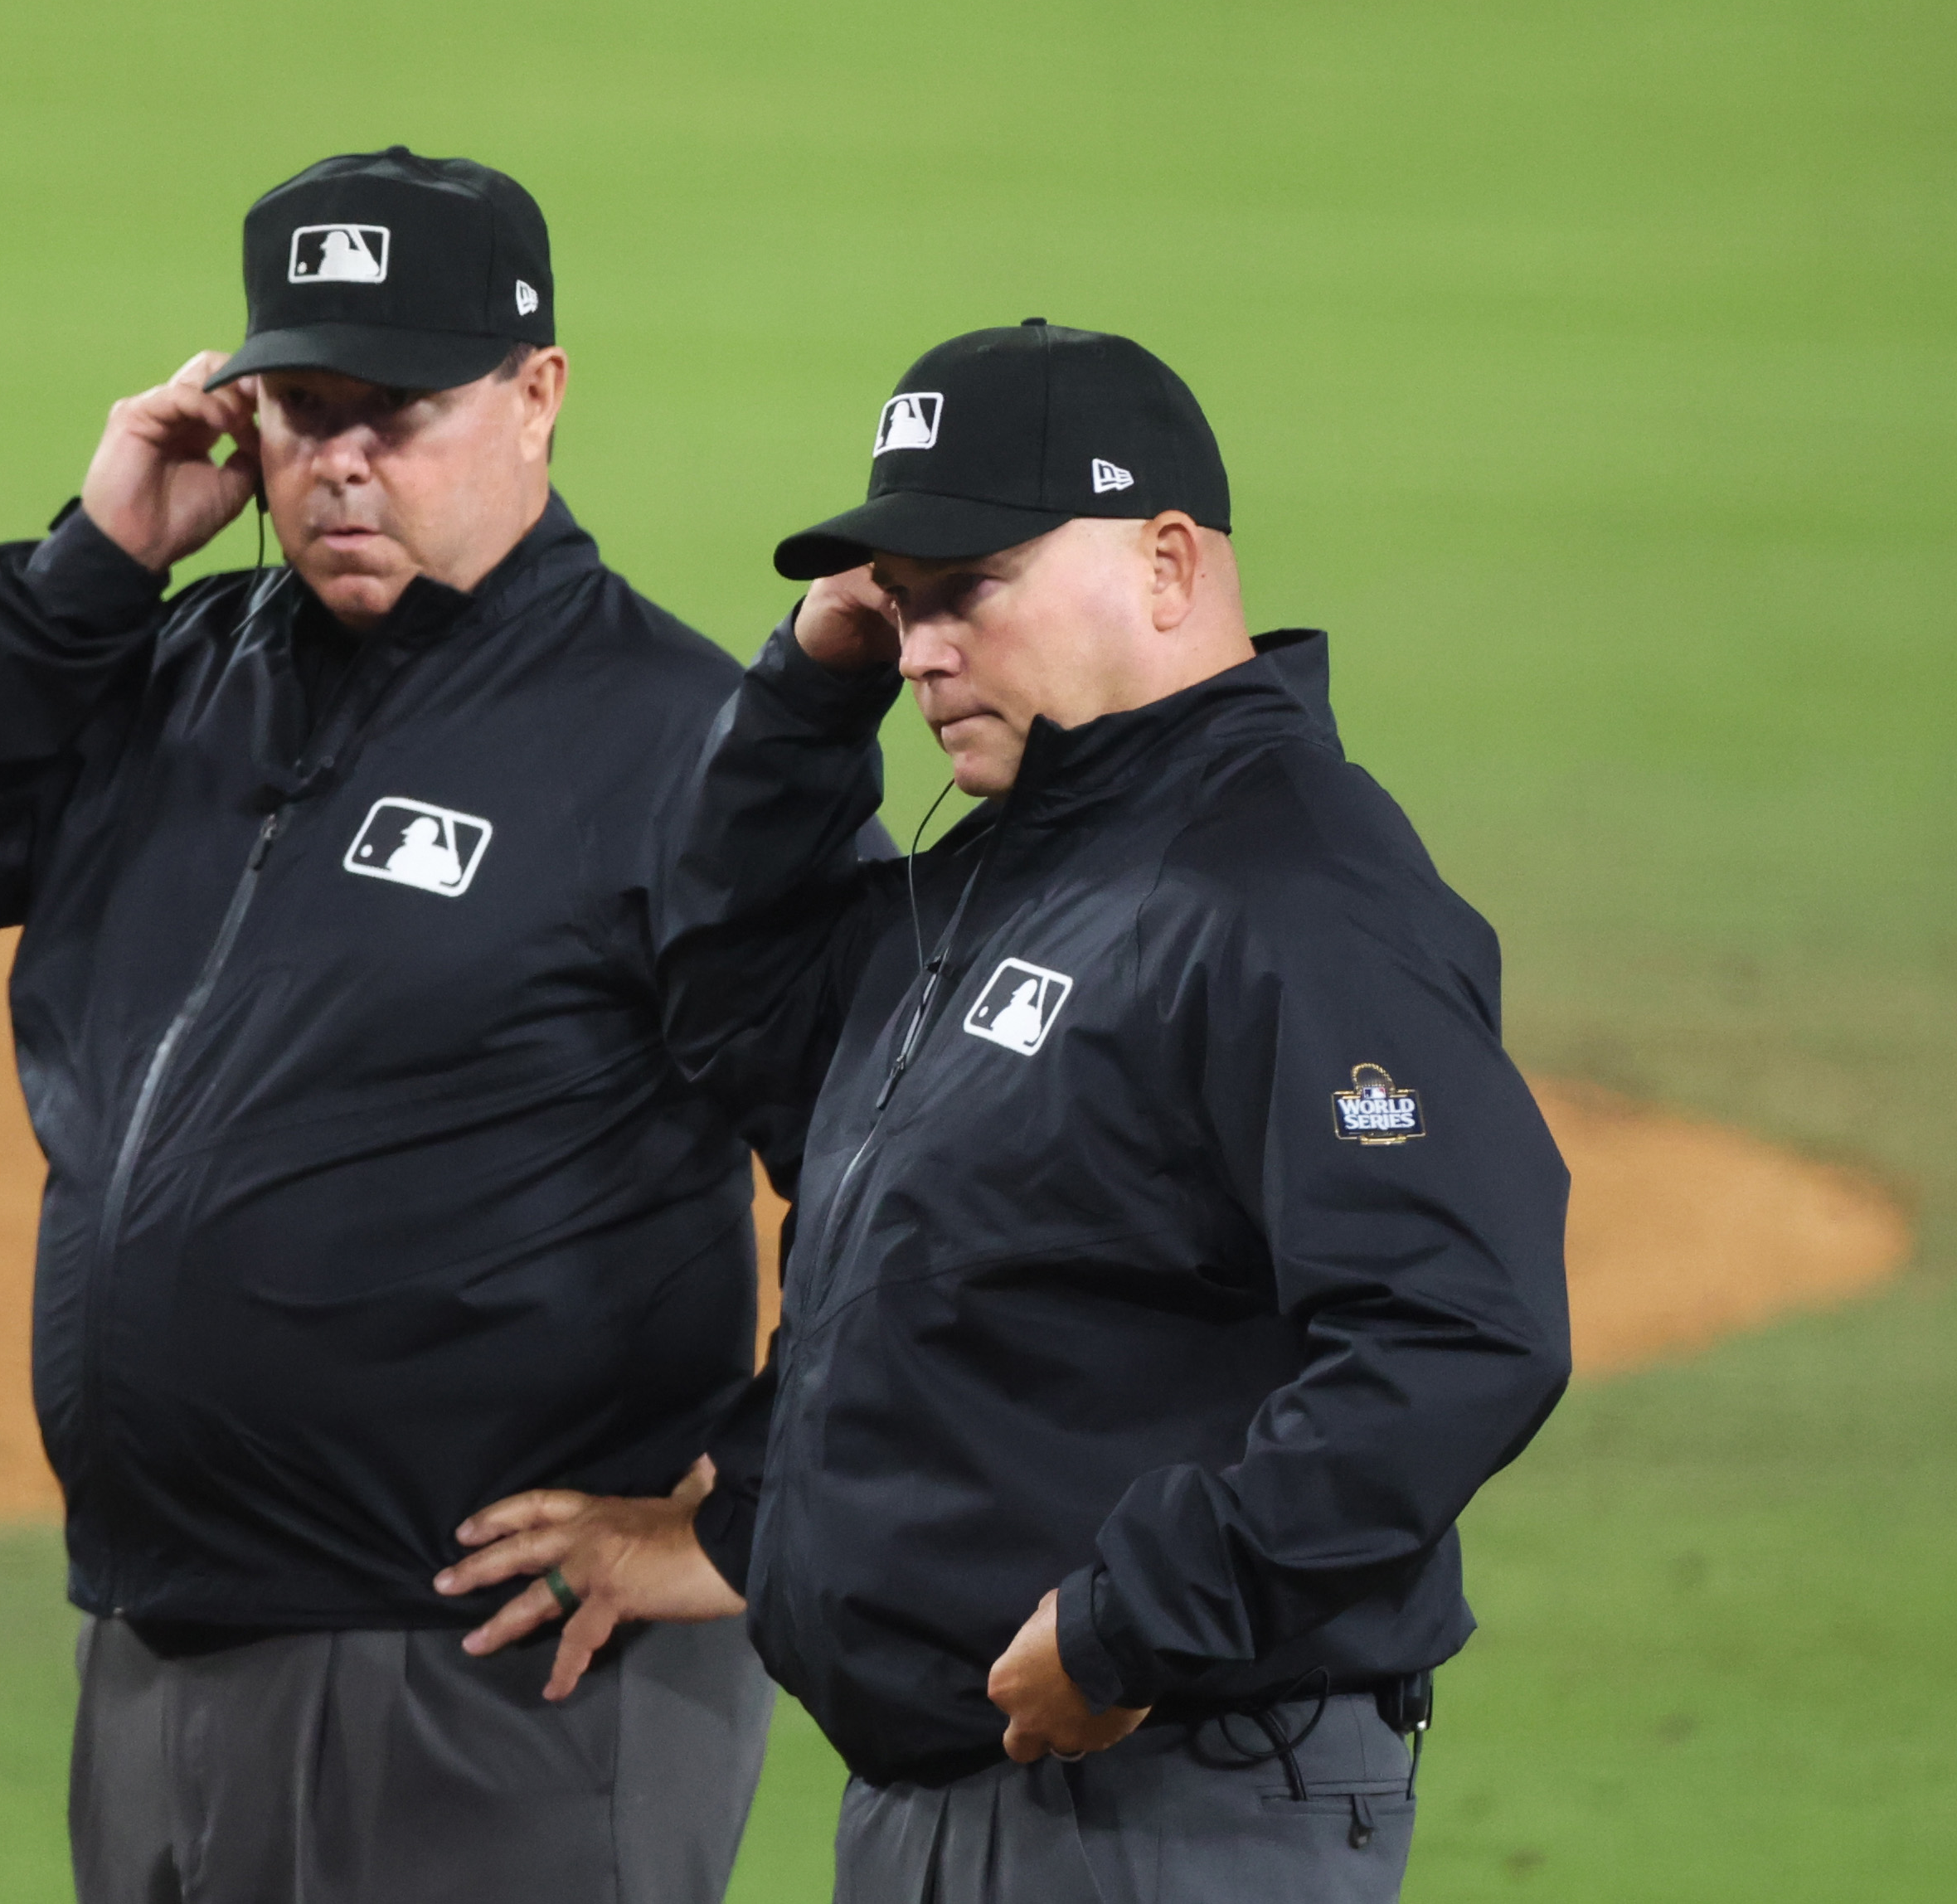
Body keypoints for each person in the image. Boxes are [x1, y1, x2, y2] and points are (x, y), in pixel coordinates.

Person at [0, 147, 827, 1904]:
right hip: (160, 1639)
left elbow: (919, 1165)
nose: (337, 462)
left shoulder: (686, 748)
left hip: (493, 1680)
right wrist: (90, 561)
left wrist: (737, 1511)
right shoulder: (168, 680)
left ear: (535, 395)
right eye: (294, 406)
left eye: (397, 411)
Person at [434, 322, 1572, 1902]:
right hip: (957, 1796)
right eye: (897, 601)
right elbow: (732, 991)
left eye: (968, 588)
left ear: (1167, 564)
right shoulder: (1012, 867)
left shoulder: (1289, 889)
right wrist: (806, 687)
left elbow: (1460, 1326)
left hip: (1162, 1788)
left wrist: (1133, 1623)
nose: (915, 649)